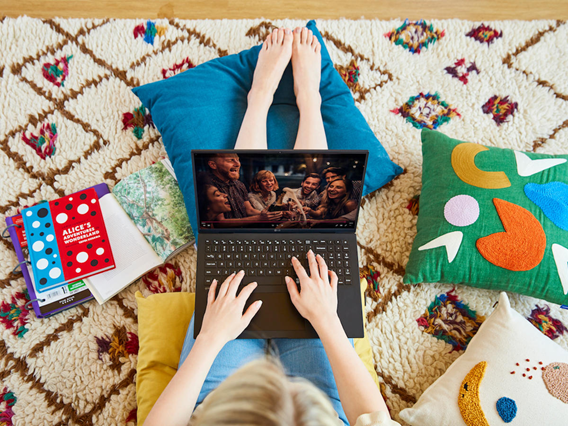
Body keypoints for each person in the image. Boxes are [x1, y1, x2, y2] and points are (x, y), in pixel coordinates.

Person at [145, 27, 396, 426]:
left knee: (241, 241)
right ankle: (309, 101)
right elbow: (371, 416)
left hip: (224, 410)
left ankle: (259, 99)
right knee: (304, 248)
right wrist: (327, 321)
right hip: (319, 411)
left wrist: (210, 339)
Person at [206, 154, 282, 222]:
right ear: (213, 165)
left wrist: (274, 215)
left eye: (238, 160)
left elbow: (249, 210)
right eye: (230, 160)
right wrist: (259, 218)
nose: (237, 164)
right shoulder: (209, 186)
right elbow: (220, 222)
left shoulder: (239, 184)